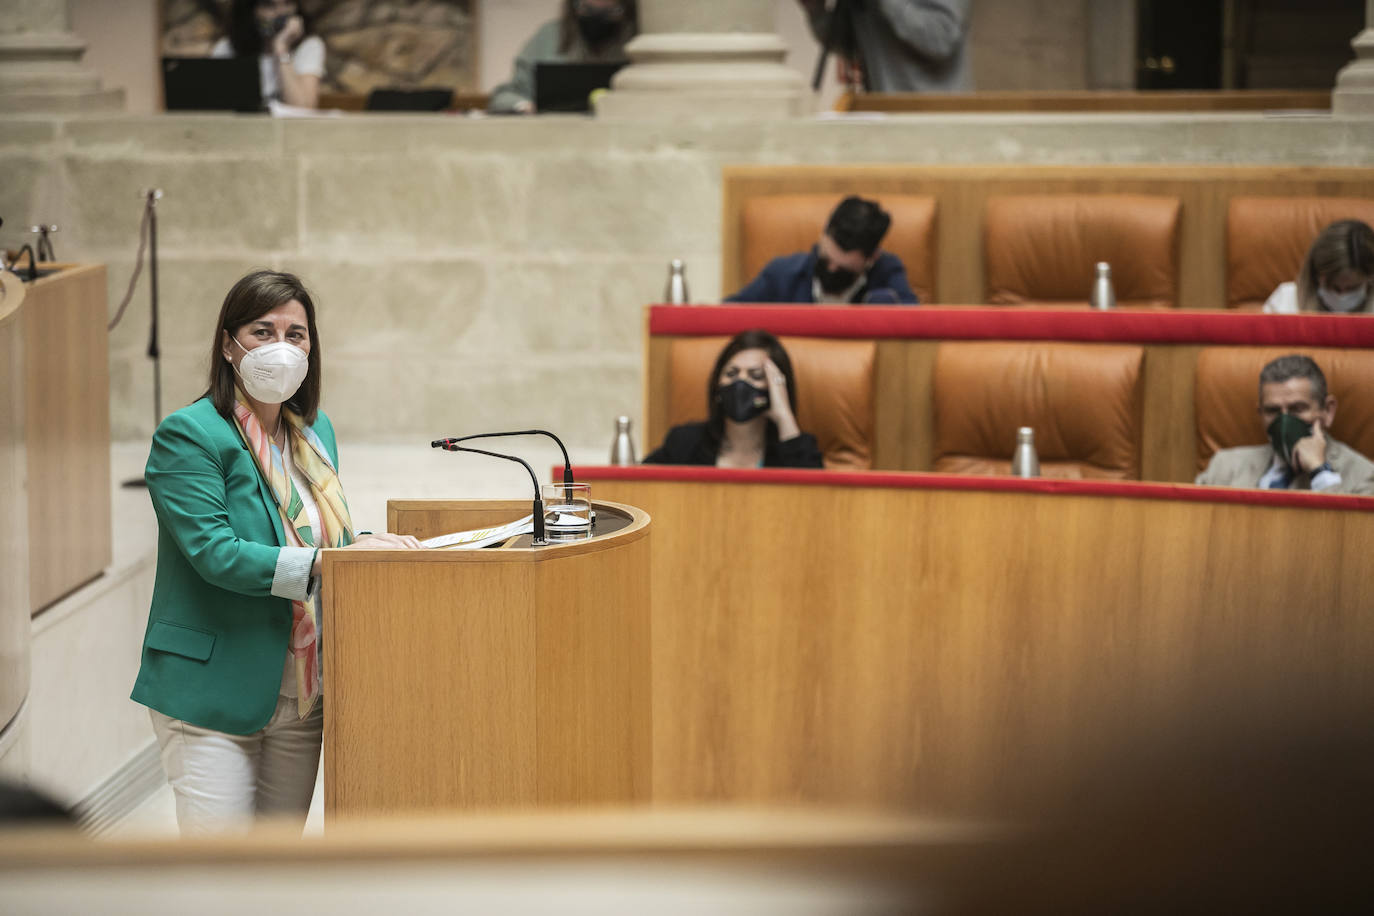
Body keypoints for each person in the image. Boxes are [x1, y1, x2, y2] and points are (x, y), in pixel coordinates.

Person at [130, 270, 421, 835]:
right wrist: (331, 565)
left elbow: (318, 539)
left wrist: (358, 547)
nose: (281, 347)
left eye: (297, 334)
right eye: (262, 331)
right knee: (220, 881)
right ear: (228, 343)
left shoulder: (314, 433)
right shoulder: (190, 434)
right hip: (212, 691)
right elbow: (216, 553)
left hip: (301, 691)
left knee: (275, 871)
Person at [643, 329, 825, 468]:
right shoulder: (685, 442)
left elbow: (815, 504)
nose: (741, 382)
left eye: (756, 375)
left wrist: (784, 416)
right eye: (731, 373)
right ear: (717, 385)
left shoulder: (794, 449)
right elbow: (640, 487)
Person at [1195, 354, 1374, 494]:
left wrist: (1320, 472)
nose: (1284, 421)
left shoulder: (1363, 476)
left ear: (1327, 411)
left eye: (1297, 408)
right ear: (1260, 414)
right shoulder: (1224, 468)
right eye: (1273, 411)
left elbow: (1351, 537)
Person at [726, 196, 919, 305]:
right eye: (825, 260)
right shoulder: (782, 274)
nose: (832, 269)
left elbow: (915, 323)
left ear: (872, 258)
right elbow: (730, 312)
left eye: (844, 269)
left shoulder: (887, 274)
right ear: (823, 232)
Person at [488, 0, 638, 114]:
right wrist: (526, 107)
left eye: (611, 12)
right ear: (573, 6)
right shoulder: (549, 38)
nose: (597, 17)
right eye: (587, 9)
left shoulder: (640, 41)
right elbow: (503, 97)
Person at [798, 0, 973, 94]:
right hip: (882, 117)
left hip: (939, 120)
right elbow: (849, 45)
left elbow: (942, 39)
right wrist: (816, 10)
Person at [212, 0, 325, 109]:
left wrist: (281, 48)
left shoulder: (308, 46)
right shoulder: (227, 48)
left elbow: (302, 108)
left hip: (287, 128)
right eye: (269, 5)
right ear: (251, 11)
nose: (281, 13)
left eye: (288, 3)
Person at [1263, 219, 1374, 314]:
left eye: (1352, 288)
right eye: (1333, 287)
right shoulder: (1284, 302)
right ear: (1315, 274)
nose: (1342, 295)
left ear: (1370, 280)